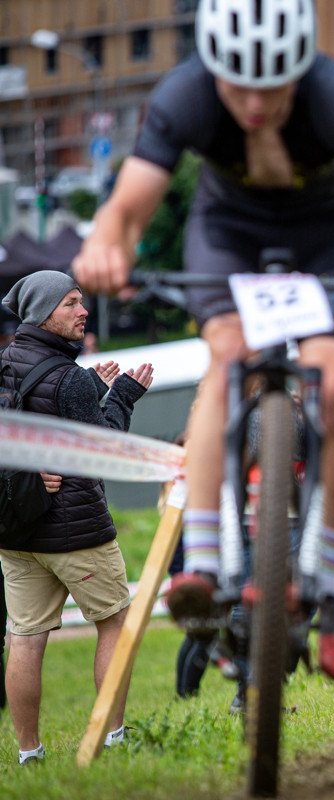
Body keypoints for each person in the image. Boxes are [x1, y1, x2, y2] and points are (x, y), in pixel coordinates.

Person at [71, 0, 334, 682]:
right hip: (226, 231)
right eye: (238, 88)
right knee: (225, 361)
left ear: (302, 71)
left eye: (274, 87)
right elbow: (126, 207)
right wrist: (102, 251)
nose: (255, 103)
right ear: (213, 71)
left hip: (328, 236)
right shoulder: (185, 94)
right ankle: (204, 566)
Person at [0, 271, 154, 765]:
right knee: (114, 622)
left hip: (16, 531)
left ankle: (29, 753)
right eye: (70, 304)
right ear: (45, 314)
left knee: (24, 637)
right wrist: (124, 394)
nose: (83, 311)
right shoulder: (67, 378)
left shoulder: (6, 363)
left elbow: (32, 422)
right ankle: (113, 736)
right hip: (76, 532)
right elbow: (104, 450)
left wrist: (91, 387)